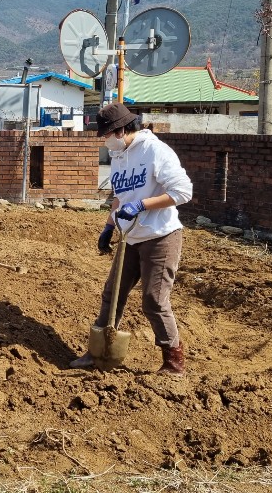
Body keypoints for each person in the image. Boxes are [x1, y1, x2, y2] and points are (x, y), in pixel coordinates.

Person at [70, 102, 193, 375]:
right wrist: (108, 226)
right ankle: (97, 353)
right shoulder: (119, 156)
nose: (104, 141)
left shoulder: (155, 151)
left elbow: (183, 192)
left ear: (122, 130)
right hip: (130, 237)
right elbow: (120, 197)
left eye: (106, 135)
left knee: (154, 299)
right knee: (112, 293)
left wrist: (143, 205)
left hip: (161, 236)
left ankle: (174, 362)